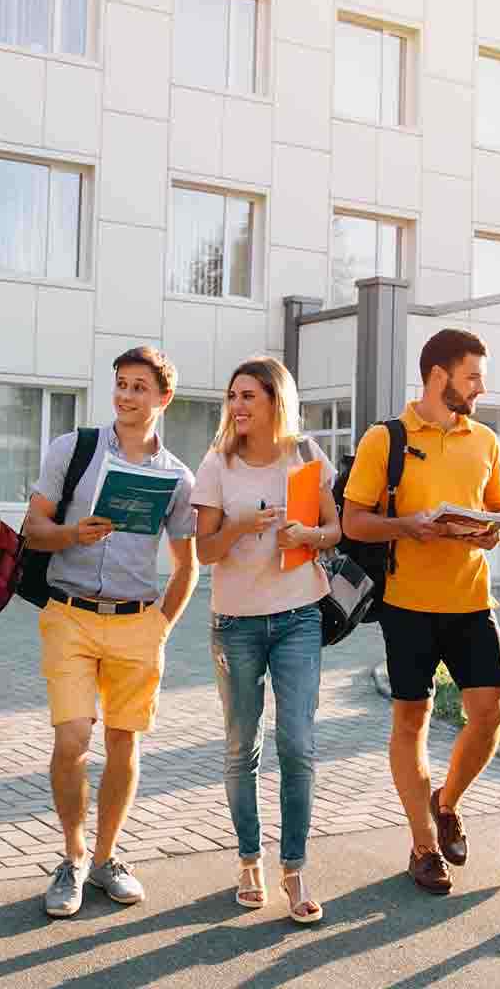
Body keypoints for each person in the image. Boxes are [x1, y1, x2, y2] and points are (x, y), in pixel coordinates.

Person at [22, 346, 200, 918]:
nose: (125, 396)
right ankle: (72, 858)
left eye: (139, 387)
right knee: (72, 739)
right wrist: (75, 535)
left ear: (163, 398)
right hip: (69, 614)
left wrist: (160, 627)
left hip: (135, 623)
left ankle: (105, 858)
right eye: (121, 384)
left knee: (125, 742)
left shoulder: (177, 477)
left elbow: (188, 563)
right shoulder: (72, 450)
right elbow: (32, 530)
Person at [341, 328, 500, 895]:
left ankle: (448, 803)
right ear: (440, 376)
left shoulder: (485, 440)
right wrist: (405, 527)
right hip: (406, 606)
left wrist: (489, 533)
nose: (481, 388)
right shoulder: (383, 439)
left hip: (471, 600)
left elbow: (497, 507)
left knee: (489, 714)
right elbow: (353, 521)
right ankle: (422, 845)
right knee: (410, 721)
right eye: (473, 376)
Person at [192, 357, 341, 924]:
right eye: (233, 396)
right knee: (241, 747)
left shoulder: (305, 456)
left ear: (276, 400)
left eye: (249, 396)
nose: (238, 406)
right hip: (236, 621)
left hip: (299, 615)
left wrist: (308, 535)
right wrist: (240, 527)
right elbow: (203, 550)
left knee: (298, 745)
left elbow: (336, 529)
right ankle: (249, 858)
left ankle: (295, 867)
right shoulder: (217, 463)